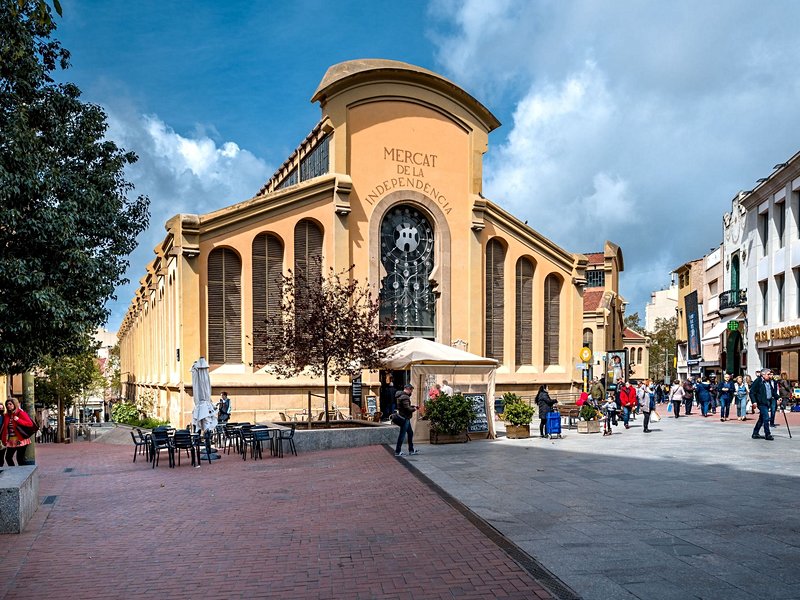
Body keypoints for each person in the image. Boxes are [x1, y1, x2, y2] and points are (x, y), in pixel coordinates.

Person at [1, 397, 35, 466]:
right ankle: (13, 471)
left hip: (21, 440)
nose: (8, 406)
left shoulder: (21, 413)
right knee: (8, 457)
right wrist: (4, 439)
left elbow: (30, 424)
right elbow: (4, 428)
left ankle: (21, 473)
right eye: (7, 404)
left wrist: (18, 420)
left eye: (10, 404)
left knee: (19, 458)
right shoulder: (6, 415)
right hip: (11, 440)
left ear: (15, 405)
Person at [394, 384, 419, 456]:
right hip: (405, 418)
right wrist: (414, 409)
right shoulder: (405, 397)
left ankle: (411, 450)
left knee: (410, 433)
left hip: (404, 417)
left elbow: (405, 406)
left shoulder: (400, 395)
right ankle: (398, 451)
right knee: (402, 435)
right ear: (408, 389)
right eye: (411, 390)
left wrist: (413, 406)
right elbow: (407, 409)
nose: (411, 392)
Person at [750, 369, 774, 441]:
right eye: (768, 374)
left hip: (768, 402)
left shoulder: (768, 381)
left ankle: (755, 433)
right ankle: (768, 434)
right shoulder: (758, 381)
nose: (770, 376)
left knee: (762, 418)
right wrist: (754, 402)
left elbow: (771, 391)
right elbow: (752, 392)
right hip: (761, 403)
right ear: (763, 375)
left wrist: (778, 397)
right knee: (766, 418)